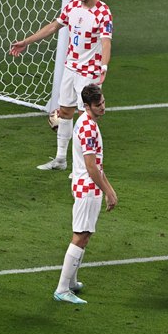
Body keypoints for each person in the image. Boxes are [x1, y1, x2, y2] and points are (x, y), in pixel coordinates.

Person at [9, 0, 112, 171]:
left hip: (89, 73)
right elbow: (53, 27)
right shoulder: (73, 6)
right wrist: (27, 42)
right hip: (70, 69)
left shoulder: (102, 12)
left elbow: (106, 42)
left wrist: (104, 66)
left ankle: (83, 168)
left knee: (86, 118)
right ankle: (60, 160)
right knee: (65, 112)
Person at [53, 84, 117, 304]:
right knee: (80, 236)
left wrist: (108, 188)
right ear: (87, 106)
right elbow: (92, 167)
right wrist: (108, 191)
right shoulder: (88, 128)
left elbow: (96, 165)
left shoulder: (85, 122)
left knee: (85, 234)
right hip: (88, 188)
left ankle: (71, 282)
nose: (103, 107)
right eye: (98, 105)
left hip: (85, 184)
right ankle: (62, 289)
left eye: (103, 102)